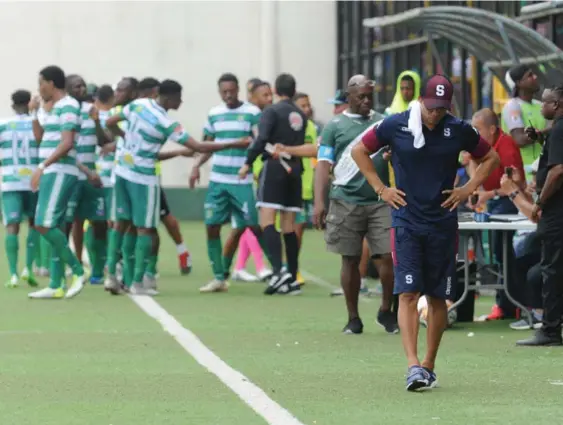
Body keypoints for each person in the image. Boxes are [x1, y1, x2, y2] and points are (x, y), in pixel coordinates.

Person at [351, 74, 499, 391]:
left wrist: (468, 188)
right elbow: (360, 150)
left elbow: (490, 157)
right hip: (406, 220)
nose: (435, 114)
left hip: (443, 222)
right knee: (406, 293)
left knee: (437, 297)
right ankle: (412, 365)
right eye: (431, 107)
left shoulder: (457, 128)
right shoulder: (396, 125)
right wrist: (381, 189)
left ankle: (429, 364)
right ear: (421, 101)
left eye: (441, 109)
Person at [105, 79, 247, 296]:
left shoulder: (139, 104)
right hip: (143, 178)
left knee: (121, 224)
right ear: (170, 98)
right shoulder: (167, 122)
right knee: (144, 228)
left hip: (122, 171)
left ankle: (112, 277)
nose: (181, 101)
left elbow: (110, 121)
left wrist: (125, 137)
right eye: (179, 97)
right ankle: (136, 283)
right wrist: (233, 143)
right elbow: (198, 146)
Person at [292, 75, 398, 334]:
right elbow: (323, 165)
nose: (365, 101)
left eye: (369, 96)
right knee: (349, 259)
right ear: (348, 97)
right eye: (360, 96)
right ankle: (353, 318)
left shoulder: (382, 123)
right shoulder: (334, 127)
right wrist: (319, 203)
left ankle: (386, 310)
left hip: (378, 201)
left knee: (387, 257)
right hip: (345, 200)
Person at [190, 73, 264, 293]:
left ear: (238, 89)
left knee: (254, 226)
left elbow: (259, 142)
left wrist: (253, 165)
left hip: (241, 180)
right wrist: (196, 166)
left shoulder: (252, 113)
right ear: (219, 91)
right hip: (218, 181)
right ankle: (219, 277)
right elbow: (206, 145)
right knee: (212, 226)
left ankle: (280, 271)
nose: (228, 95)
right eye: (224, 92)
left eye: (232, 91)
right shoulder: (214, 114)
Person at [240, 73, 306, 295]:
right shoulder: (300, 114)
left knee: (267, 220)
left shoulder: (272, 111)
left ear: (276, 91)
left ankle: (278, 272)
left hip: (276, 168)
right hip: (295, 170)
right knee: (289, 227)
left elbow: (262, 139)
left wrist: (248, 162)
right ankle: (293, 277)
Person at [27, 65, 87, 299]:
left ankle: (78, 270)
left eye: (41, 83)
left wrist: (43, 166)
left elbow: (67, 142)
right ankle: (55, 283)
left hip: (60, 171)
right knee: (55, 226)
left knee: (43, 223)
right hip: (53, 170)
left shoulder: (69, 105)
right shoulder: (55, 109)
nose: (39, 88)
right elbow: (41, 138)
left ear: (51, 83)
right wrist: (34, 114)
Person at [517, 86, 563, 347]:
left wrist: (539, 202)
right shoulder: (556, 130)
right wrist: (541, 138)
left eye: (544, 103)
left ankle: (550, 330)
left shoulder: (558, 130)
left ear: (555, 105)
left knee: (552, 269)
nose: (540, 107)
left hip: (556, 212)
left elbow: (557, 171)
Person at [470, 108, 526, 320]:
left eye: (478, 129)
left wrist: (488, 194)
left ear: (492, 129)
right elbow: (473, 167)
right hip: (494, 204)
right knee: (497, 254)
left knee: (503, 254)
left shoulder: (507, 145)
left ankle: (512, 304)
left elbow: (517, 183)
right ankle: (505, 305)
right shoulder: (483, 146)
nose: (475, 133)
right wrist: (476, 191)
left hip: (509, 204)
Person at [64, 74, 107, 286]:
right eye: (76, 86)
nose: (81, 89)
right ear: (67, 89)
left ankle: (98, 269)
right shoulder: (65, 111)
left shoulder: (92, 110)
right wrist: (87, 173)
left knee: (99, 222)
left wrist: (97, 121)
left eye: (82, 85)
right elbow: (67, 147)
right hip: (73, 175)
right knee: (73, 222)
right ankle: (75, 264)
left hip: (91, 176)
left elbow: (104, 140)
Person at [0, 90, 40, 288]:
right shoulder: (38, 123)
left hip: (10, 181)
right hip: (34, 180)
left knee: (12, 226)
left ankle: (14, 274)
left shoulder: (3, 125)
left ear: (13, 105)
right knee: (34, 223)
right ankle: (28, 269)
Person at [502, 65, 547, 179]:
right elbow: (520, 139)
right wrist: (549, 132)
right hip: (524, 175)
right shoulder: (513, 106)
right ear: (519, 83)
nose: (535, 77)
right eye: (530, 76)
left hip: (543, 170)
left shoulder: (540, 105)